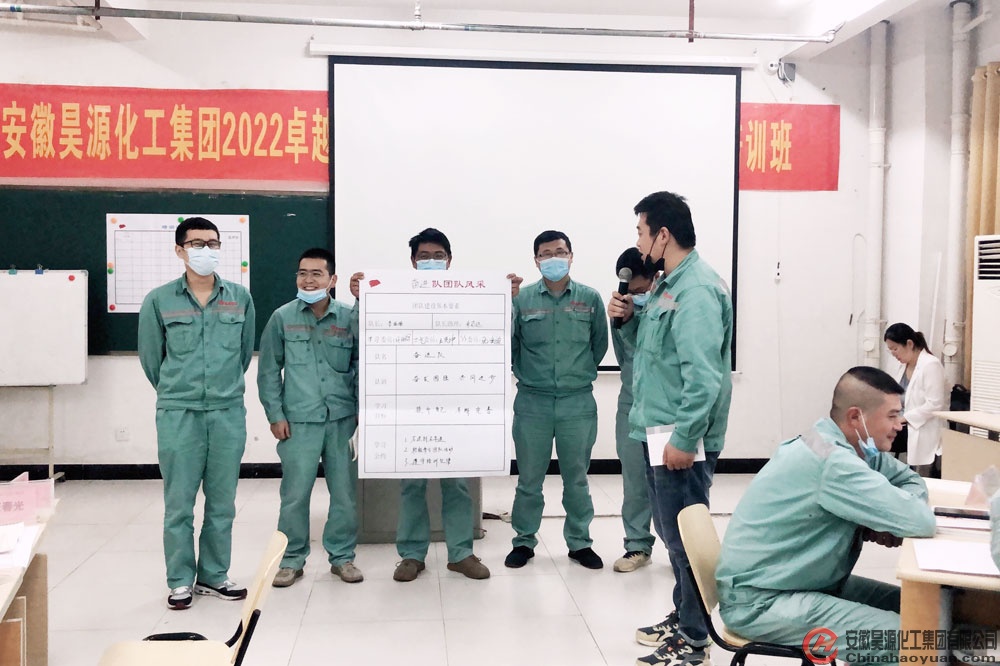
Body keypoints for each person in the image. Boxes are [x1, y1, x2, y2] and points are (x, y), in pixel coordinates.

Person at [716, 366, 937, 665]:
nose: (900, 425)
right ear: (856, 417)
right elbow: (921, 521)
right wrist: (888, 514)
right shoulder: (834, 462)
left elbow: (911, 481)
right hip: (762, 601)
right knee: (914, 638)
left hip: (802, 581)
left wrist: (885, 514)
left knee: (926, 610)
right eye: (892, 416)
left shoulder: (854, 449)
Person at [606, 191, 732, 666]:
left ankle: (695, 639)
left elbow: (703, 376)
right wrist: (627, 321)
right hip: (657, 429)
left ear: (663, 235)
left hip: (679, 438)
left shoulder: (696, 290)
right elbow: (653, 353)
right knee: (672, 533)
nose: (639, 243)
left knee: (684, 541)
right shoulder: (667, 284)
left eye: (641, 232)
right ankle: (684, 616)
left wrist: (684, 438)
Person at [349, 228, 513, 582]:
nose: (431, 261)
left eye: (438, 256)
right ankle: (411, 555)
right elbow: (364, 335)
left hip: (455, 408)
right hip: (410, 408)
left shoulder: (468, 298)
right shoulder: (394, 297)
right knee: (412, 485)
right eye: (424, 256)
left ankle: (461, 554)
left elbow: (494, 336)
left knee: (457, 485)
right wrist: (362, 300)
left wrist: (506, 300)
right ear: (412, 262)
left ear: (450, 261)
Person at [137, 216, 256, 610]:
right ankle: (179, 581)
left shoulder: (240, 297)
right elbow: (152, 360)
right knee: (179, 504)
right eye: (197, 244)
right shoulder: (159, 300)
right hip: (179, 414)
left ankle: (214, 576)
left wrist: (219, 389)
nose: (206, 250)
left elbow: (243, 356)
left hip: (227, 413)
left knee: (222, 503)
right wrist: (181, 391)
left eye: (213, 243)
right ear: (180, 250)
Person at [257, 248, 362, 588]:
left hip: (342, 420)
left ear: (332, 280)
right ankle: (291, 560)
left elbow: (363, 365)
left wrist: (364, 413)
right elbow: (268, 370)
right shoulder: (282, 317)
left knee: (344, 496)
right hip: (298, 422)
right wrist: (275, 414)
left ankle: (342, 557)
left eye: (317, 273)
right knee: (294, 496)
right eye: (303, 273)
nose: (308, 280)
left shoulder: (348, 317)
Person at [504, 230, 609, 570]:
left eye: (560, 252)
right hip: (532, 401)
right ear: (536, 261)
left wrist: (575, 375)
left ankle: (580, 543)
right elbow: (511, 346)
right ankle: (523, 541)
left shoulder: (590, 299)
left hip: (577, 402)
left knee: (576, 479)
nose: (554, 258)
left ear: (571, 256)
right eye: (546, 253)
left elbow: (598, 346)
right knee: (529, 480)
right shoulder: (520, 300)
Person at [610, 247, 657, 573]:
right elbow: (624, 356)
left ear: (655, 278)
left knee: (676, 486)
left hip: (666, 406)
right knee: (635, 480)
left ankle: (685, 553)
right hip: (631, 401)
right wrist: (626, 319)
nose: (635, 295)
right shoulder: (619, 309)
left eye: (641, 289)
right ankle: (637, 545)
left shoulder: (671, 304)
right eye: (631, 289)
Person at [883, 322, 947, 477]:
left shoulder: (930, 365)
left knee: (878, 435)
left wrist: (903, 418)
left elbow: (935, 404)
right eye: (890, 350)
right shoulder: (903, 366)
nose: (893, 354)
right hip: (903, 423)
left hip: (921, 426)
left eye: (895, 349)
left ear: (909, 344)